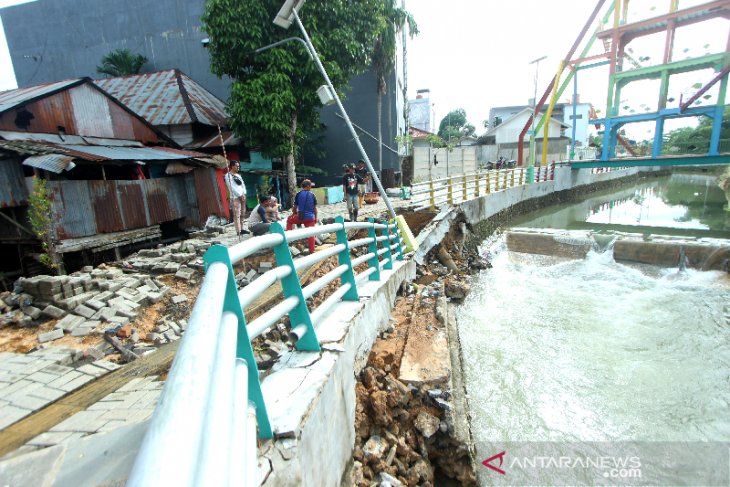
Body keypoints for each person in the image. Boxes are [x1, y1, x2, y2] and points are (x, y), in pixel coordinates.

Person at [286, 179, 318, 254]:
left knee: (289, 220)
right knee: (311, 234)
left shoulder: (298, 194)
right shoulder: (312, 195)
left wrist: (294, 214)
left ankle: (288, 239)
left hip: (301, 217)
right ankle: (312, 250)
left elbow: (295, 207)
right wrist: (315, 218)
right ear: (307, 186)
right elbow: (315, 209)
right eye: (310, 186)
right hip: (310, 218)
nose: (311, 187)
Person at [223, 160, 249, 235]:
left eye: (238, 166)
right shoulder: (228, 176)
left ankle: (242, 228)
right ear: (232, 166)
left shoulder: (238, 175)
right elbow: (231, 187)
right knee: (237, 214)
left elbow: (242, 185)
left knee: (243, 213)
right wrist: (239, 195)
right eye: (236, 166)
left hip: (243, 196)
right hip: (235, 197)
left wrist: (244, 193)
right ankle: (238, 231)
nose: (238, 167)